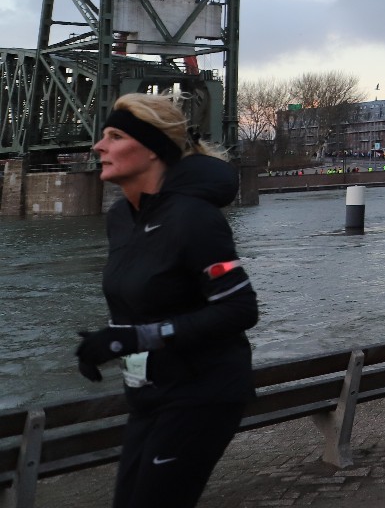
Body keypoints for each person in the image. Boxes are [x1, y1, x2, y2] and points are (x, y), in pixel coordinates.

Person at [76, 93, 259, 508]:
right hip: (148, 395)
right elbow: (147, 300)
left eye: (115, 136)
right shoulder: (120, 219)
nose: (99, 146)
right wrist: (107, 342)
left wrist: (136, 338)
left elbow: (239, 309)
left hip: (202, 394)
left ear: (153, 150)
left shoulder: (193, 217)